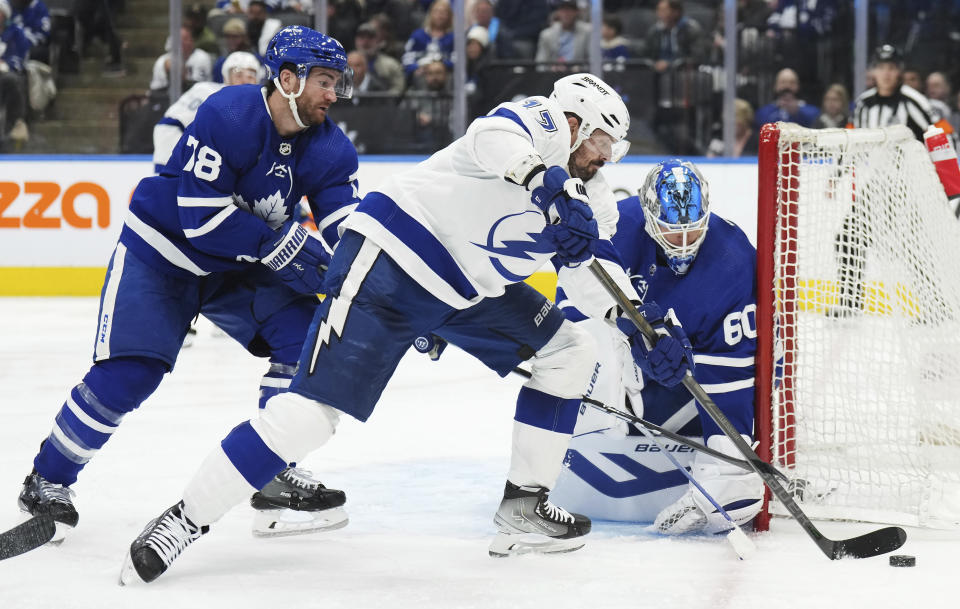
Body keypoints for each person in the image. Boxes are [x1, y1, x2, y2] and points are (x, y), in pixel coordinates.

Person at [120, 72, 692, 584]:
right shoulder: (538, 123)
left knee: (571, 349)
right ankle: (183, 520)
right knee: (312, 418)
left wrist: (641, 324)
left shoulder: (593, 196)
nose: (605, 157)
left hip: (467, 294)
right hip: (391, 264)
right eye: (600, 141)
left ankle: (524, 507)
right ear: (574, 123)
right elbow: (495, 137)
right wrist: (545, 182)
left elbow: (595, 270)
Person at [16, 26, 359, 549]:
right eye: (326, 82)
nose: (334, 95)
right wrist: (279, 243)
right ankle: (47, 480)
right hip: (164, 253)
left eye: (338, 83)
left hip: (238, 265)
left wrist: (384, 283)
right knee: (130, 374)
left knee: (306, 338)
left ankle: (270, 470)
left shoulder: (331, 148)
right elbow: (200, 219)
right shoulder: (231, 114)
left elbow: (348, 233)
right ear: (288, 79)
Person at [549, 159, 763, 534]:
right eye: (671, 231)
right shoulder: (615, 226)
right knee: (586, 343)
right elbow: (573, 305)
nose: (683, 244)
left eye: (693, 231)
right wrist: (629, 337)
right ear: (649, 217)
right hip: (629, 377)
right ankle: (589, 432)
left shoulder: (733, 258)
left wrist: (728, 467)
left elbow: (732, 369)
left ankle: (714, 460)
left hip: (690, 381)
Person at [835, 44, 944, 316]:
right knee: (848, 237)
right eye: (881, 67)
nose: (886, 73)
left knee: (914, 246)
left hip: (909, 186)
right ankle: (849, 303)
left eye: (892, 68)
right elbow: (852, 141)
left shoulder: (913, 101)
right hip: (877, 186)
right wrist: (836, 174)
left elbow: (940, 135)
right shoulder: (864, 103)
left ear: (899, 72)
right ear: (873, 70)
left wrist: (946, 179)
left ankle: (934, 305)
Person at [153, 51, 263, 173]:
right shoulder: (207, 91)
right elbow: (170, 124)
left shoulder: (259, 106)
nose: (244, 80)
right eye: (238, 74)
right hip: (179, 144)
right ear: (226, 77)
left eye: (251, 76)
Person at [0, 0, 30, 146]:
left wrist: (5, 64)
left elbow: (20, 57)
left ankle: (13, 127)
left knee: (12, 81)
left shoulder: (16, 32)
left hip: (7, 75)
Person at [149, 26, 214, 93]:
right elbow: (156, 89)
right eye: (183, 39)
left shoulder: (201, 57)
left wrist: (183, 77)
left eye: (188, 38)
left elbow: (199, 87)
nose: (188, 42)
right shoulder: (162, 60)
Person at [754, 67, 820, 129]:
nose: (787, 86)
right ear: (775, 86)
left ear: (798, 86)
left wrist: (797, 113)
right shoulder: (763, 112)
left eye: (792, 82)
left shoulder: (813, 112)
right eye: (783, 82)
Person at [401, 0, 454, 77]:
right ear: (431, 14)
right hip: (421, 75)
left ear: (449, 16)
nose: (440, 15)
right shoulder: (418, 35)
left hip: (445, 76)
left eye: (444, 12)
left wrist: (442, 65)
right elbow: (406, 58)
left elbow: (457, 61)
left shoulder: (453, 38)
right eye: (437, 11)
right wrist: (416, 68)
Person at [535, 0, 590, 64]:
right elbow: (540, 63)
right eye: (563, 10)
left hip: (580, 72)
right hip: (553, 73)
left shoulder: (587, 31)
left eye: (570, 10)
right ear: (558, 12)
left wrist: (580, 68)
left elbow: (593, 60)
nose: (566, 14)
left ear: (576, 12)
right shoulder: (546, 35)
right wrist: (550, 69)